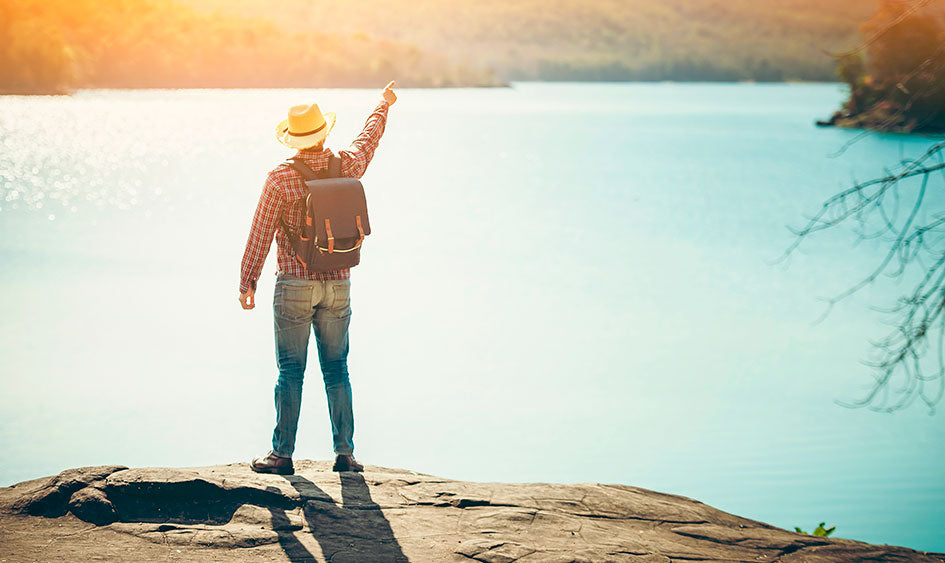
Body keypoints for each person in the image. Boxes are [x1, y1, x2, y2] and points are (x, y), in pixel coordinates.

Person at [238, 81, 397, 475]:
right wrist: (383, 104)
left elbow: (260, 231)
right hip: (339, 281)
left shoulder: (280, 178)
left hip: (294, 283)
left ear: (292, 139)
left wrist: (248, 281)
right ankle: (345, 454)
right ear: (324, 132)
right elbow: (368, 139)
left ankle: (282, 454)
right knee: (337, 368)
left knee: (290, 371)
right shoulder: (347, 164)